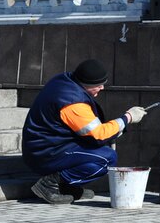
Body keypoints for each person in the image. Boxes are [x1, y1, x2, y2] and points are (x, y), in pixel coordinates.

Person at [22, 59, 148, 204]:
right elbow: (98, 135)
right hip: (46, 153)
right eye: (98, 85)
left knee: (101, 152)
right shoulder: (72, 102)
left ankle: (65, 186)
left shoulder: (66, 82)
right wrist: (127, 118)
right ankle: (49, 184)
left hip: (49, 146)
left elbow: (90, 132)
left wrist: (119, 127)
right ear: (86, 85)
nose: (102, 88)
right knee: (107, 158)